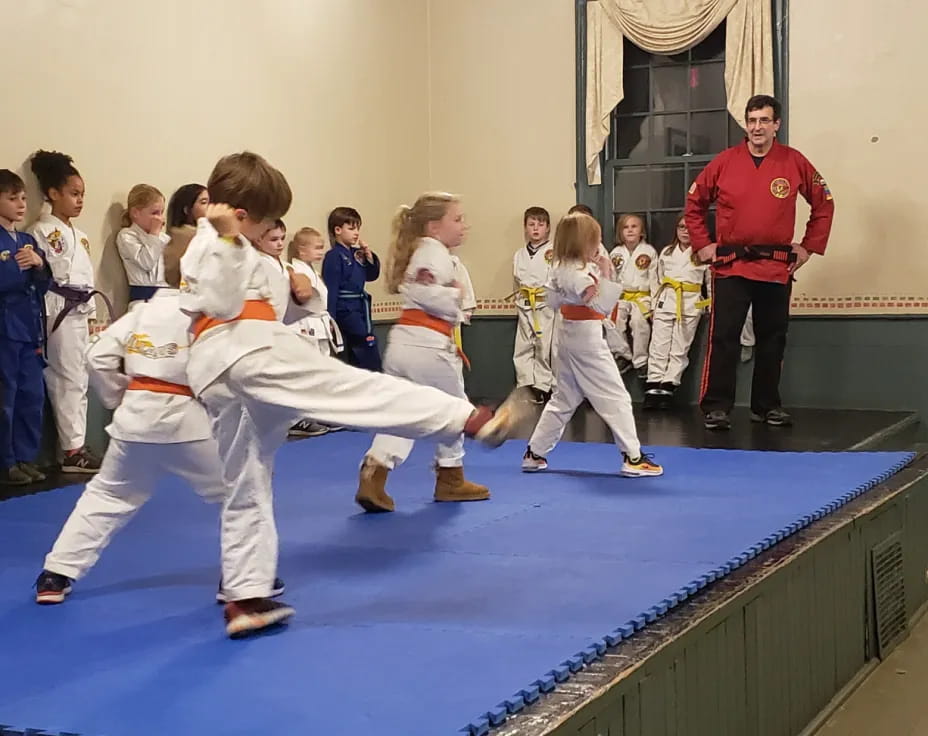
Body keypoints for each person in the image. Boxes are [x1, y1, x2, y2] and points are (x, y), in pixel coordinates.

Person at [178, 152, 522, 630]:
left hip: (221, 369)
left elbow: (297, 306)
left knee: (248, 478)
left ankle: (245, 593)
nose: (267, 232)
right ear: (240, 215)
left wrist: (303, 291)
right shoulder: (212, 242)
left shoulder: (249, 252)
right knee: (357, 389)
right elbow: (219, 297)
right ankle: (467, 418)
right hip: (247, 350)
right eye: (263, 223)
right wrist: (231, 238)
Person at [33, 243, 286, 631]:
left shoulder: (144, 311)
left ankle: (56, 574)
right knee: (245, 492)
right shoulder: (212, 314)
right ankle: (245, 585)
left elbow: (96, 356)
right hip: (189, 423)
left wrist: (119, 394)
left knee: (107, 496)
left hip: (134, 421)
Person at [685, 94, 835, 430]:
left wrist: (809, 247)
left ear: (776, 125)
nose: (757, 127)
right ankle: (717, 406)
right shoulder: (725, 162)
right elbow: (694, 205)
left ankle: (766, 405)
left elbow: (824, 204)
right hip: (731, 265)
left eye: (764, 121)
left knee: (773, 337)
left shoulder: (793, 162)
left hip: (774, 265)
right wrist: (703, 244)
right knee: (724, 336)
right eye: (752, 121)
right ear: (746, 125)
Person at [355, 193, 493, 513]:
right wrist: (453, 294)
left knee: (404, 414)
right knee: (456, 411)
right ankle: (451, 478)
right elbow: (425, 291)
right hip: (428, 346)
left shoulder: (422, 250)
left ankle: (373, 473)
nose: (464, 226)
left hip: (403, 343)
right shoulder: (432, 252)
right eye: (457, 219)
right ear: (433, 227)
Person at [520, 212, 662, 477]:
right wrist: (606, 273)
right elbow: (600, 304)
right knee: (616, 396)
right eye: (595, 240)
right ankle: (632, 457)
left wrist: (601, 271)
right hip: (587, 337)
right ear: (584, 242)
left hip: (567, 334)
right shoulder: (579, 274)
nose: (599, 245)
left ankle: (535, 452)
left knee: (565, 397)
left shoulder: (559, 267)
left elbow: (552, 302)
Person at [29, 150, 101, 472]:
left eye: (82, 194)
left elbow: (85, 277)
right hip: (56, 310)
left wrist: (93, 313)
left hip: (80, 309)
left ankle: (75, 446)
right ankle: (72, 450)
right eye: (73, 194)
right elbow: (42, 275)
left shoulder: (81, 236)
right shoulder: (40, 230)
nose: (80, 200)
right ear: (53, 193)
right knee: (67, 378)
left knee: (79, 378)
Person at [0, 169, 51, 485]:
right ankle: (6, 462)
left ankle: (25, 457)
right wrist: (11, 268)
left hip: (28, 325)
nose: (20, 205)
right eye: (12, 198)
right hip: (4, 327)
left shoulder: (28, 240)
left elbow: (45, 283)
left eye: (23, 198)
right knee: (6, 397)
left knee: (32, 395)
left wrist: (39, 264)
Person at [644, 215, 710, 409]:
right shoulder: (666, 252)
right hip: (666, 301)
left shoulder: (703, 253)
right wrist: (654, 306)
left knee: (679, 348)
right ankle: (653, 385)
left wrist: (709, 304)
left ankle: (668, 386)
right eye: (681, 226)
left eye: (689, 227)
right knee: (658, 345)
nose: (685, 231)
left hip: (690, 304)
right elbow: (656, 281)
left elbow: (710, 283)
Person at [286, 227, 343, 438]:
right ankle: (299, 418)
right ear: (301, 250)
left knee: (321, 372)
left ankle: (319, 412)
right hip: (303, 327)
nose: (321, 251)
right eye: (317, 248)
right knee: (305, 373)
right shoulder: (295, 270)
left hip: (319, 325)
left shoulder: (312, 271)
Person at [321, 206, 382, 371]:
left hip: (360, 307)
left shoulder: (357, 254)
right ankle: (373, 374)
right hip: (345, 308)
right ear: (338, 230)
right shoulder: (333, 256)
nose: (356, 233)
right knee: (365, 340)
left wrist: (369, 256)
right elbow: (331, 289)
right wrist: (330, 317)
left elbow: (371, 275)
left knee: (364, 345)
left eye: (357, 229)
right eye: (351, 228)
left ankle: (370, 374)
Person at [512, 206, 556, 403]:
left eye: (540, 224)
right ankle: (525, 384)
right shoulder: (519, 254)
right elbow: (517, 281)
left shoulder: (554, 252)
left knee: (543, 346)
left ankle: (543, 385)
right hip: (524, 303)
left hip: (545, 304)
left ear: (548, 228)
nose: (536, 229)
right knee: (522, 346)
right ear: (525, 228)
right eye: (531, 224)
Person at [606, 213, 657, 378]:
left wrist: (655, 305)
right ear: (620, 232)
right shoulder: (615, 253)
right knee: (613, 320)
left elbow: (655, 280)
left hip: (643, 297)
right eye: (625, 228)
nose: (629, 231)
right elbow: (610, 278)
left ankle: (641, 361)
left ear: (642, 231)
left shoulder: (649, 252)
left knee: (638, 321)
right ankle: (623, 355)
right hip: (621, 296)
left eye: (634, 227)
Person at [116, 184, 169, 306]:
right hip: (142, 301)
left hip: (166, 299)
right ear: (135, 213)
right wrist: (154, 233)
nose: (160, 218)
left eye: (162, 212)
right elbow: (146, 262)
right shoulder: (127, 236)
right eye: (155, 213)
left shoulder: (165, 239)